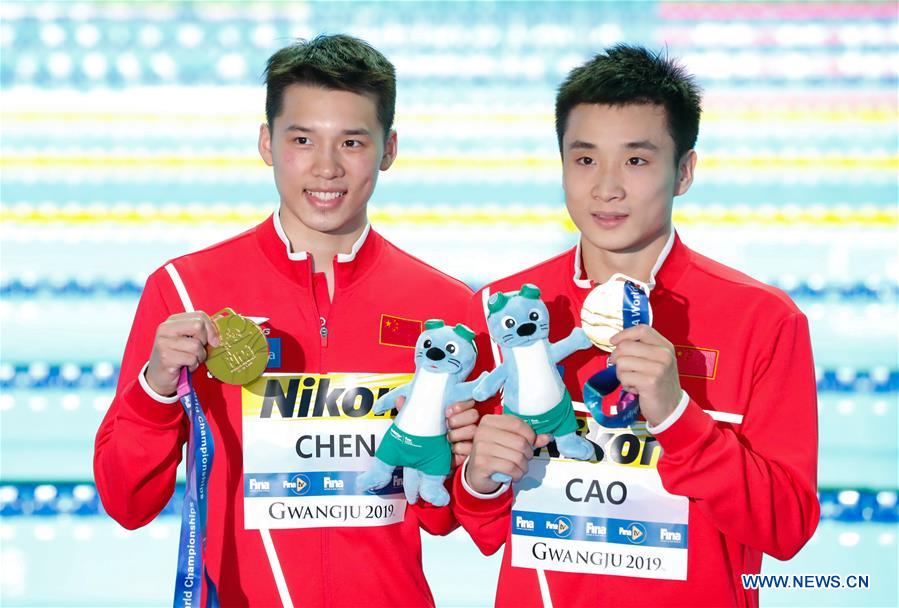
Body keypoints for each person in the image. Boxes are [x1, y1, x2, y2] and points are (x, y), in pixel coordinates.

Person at [94, 34, 480, 607]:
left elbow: (445, 518)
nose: (326, 168)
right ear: (266, 143)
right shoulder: (183, 290)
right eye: (302, 139)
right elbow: (127, 503)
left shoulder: (445, 312)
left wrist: (459, 458)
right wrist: (154, 389)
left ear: (389, 149)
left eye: (352, 142)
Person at [453, 45, 819, 607]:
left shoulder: (763, 321)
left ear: (684, 172)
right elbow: (479, 524)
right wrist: (480, 481)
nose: (606, 187)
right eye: (584, 159)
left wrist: (677, 416)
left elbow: (788, 528)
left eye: (637, 160)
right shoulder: (506, 310)